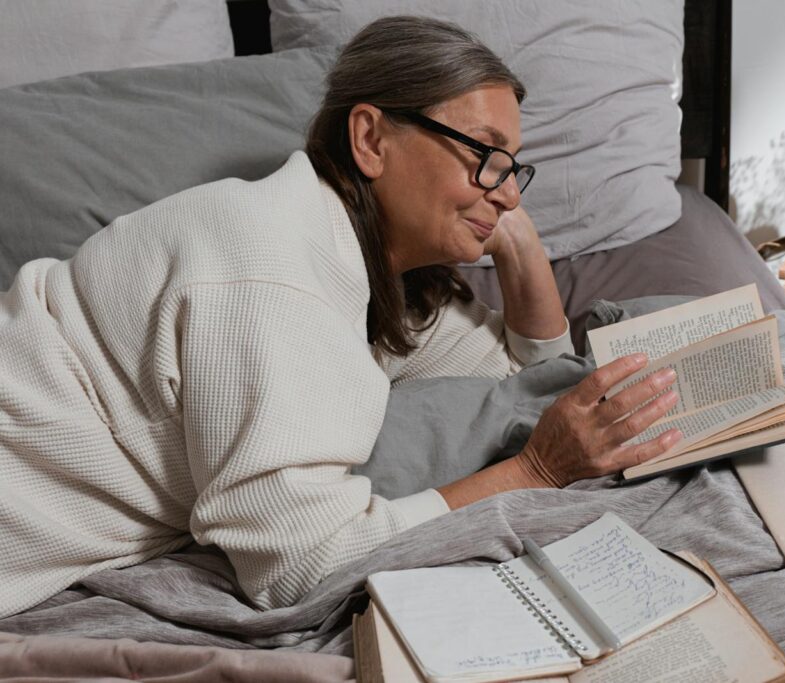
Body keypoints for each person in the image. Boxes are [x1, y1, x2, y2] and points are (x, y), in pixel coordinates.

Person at [0, 16, 682, 619]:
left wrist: (520, 244)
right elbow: (299, 566)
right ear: (370, 138)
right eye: (482, 154)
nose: (504, 191)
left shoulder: (371, 274)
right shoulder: (270, 268)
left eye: (512, 168)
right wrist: (532, 470)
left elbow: (529, 380)